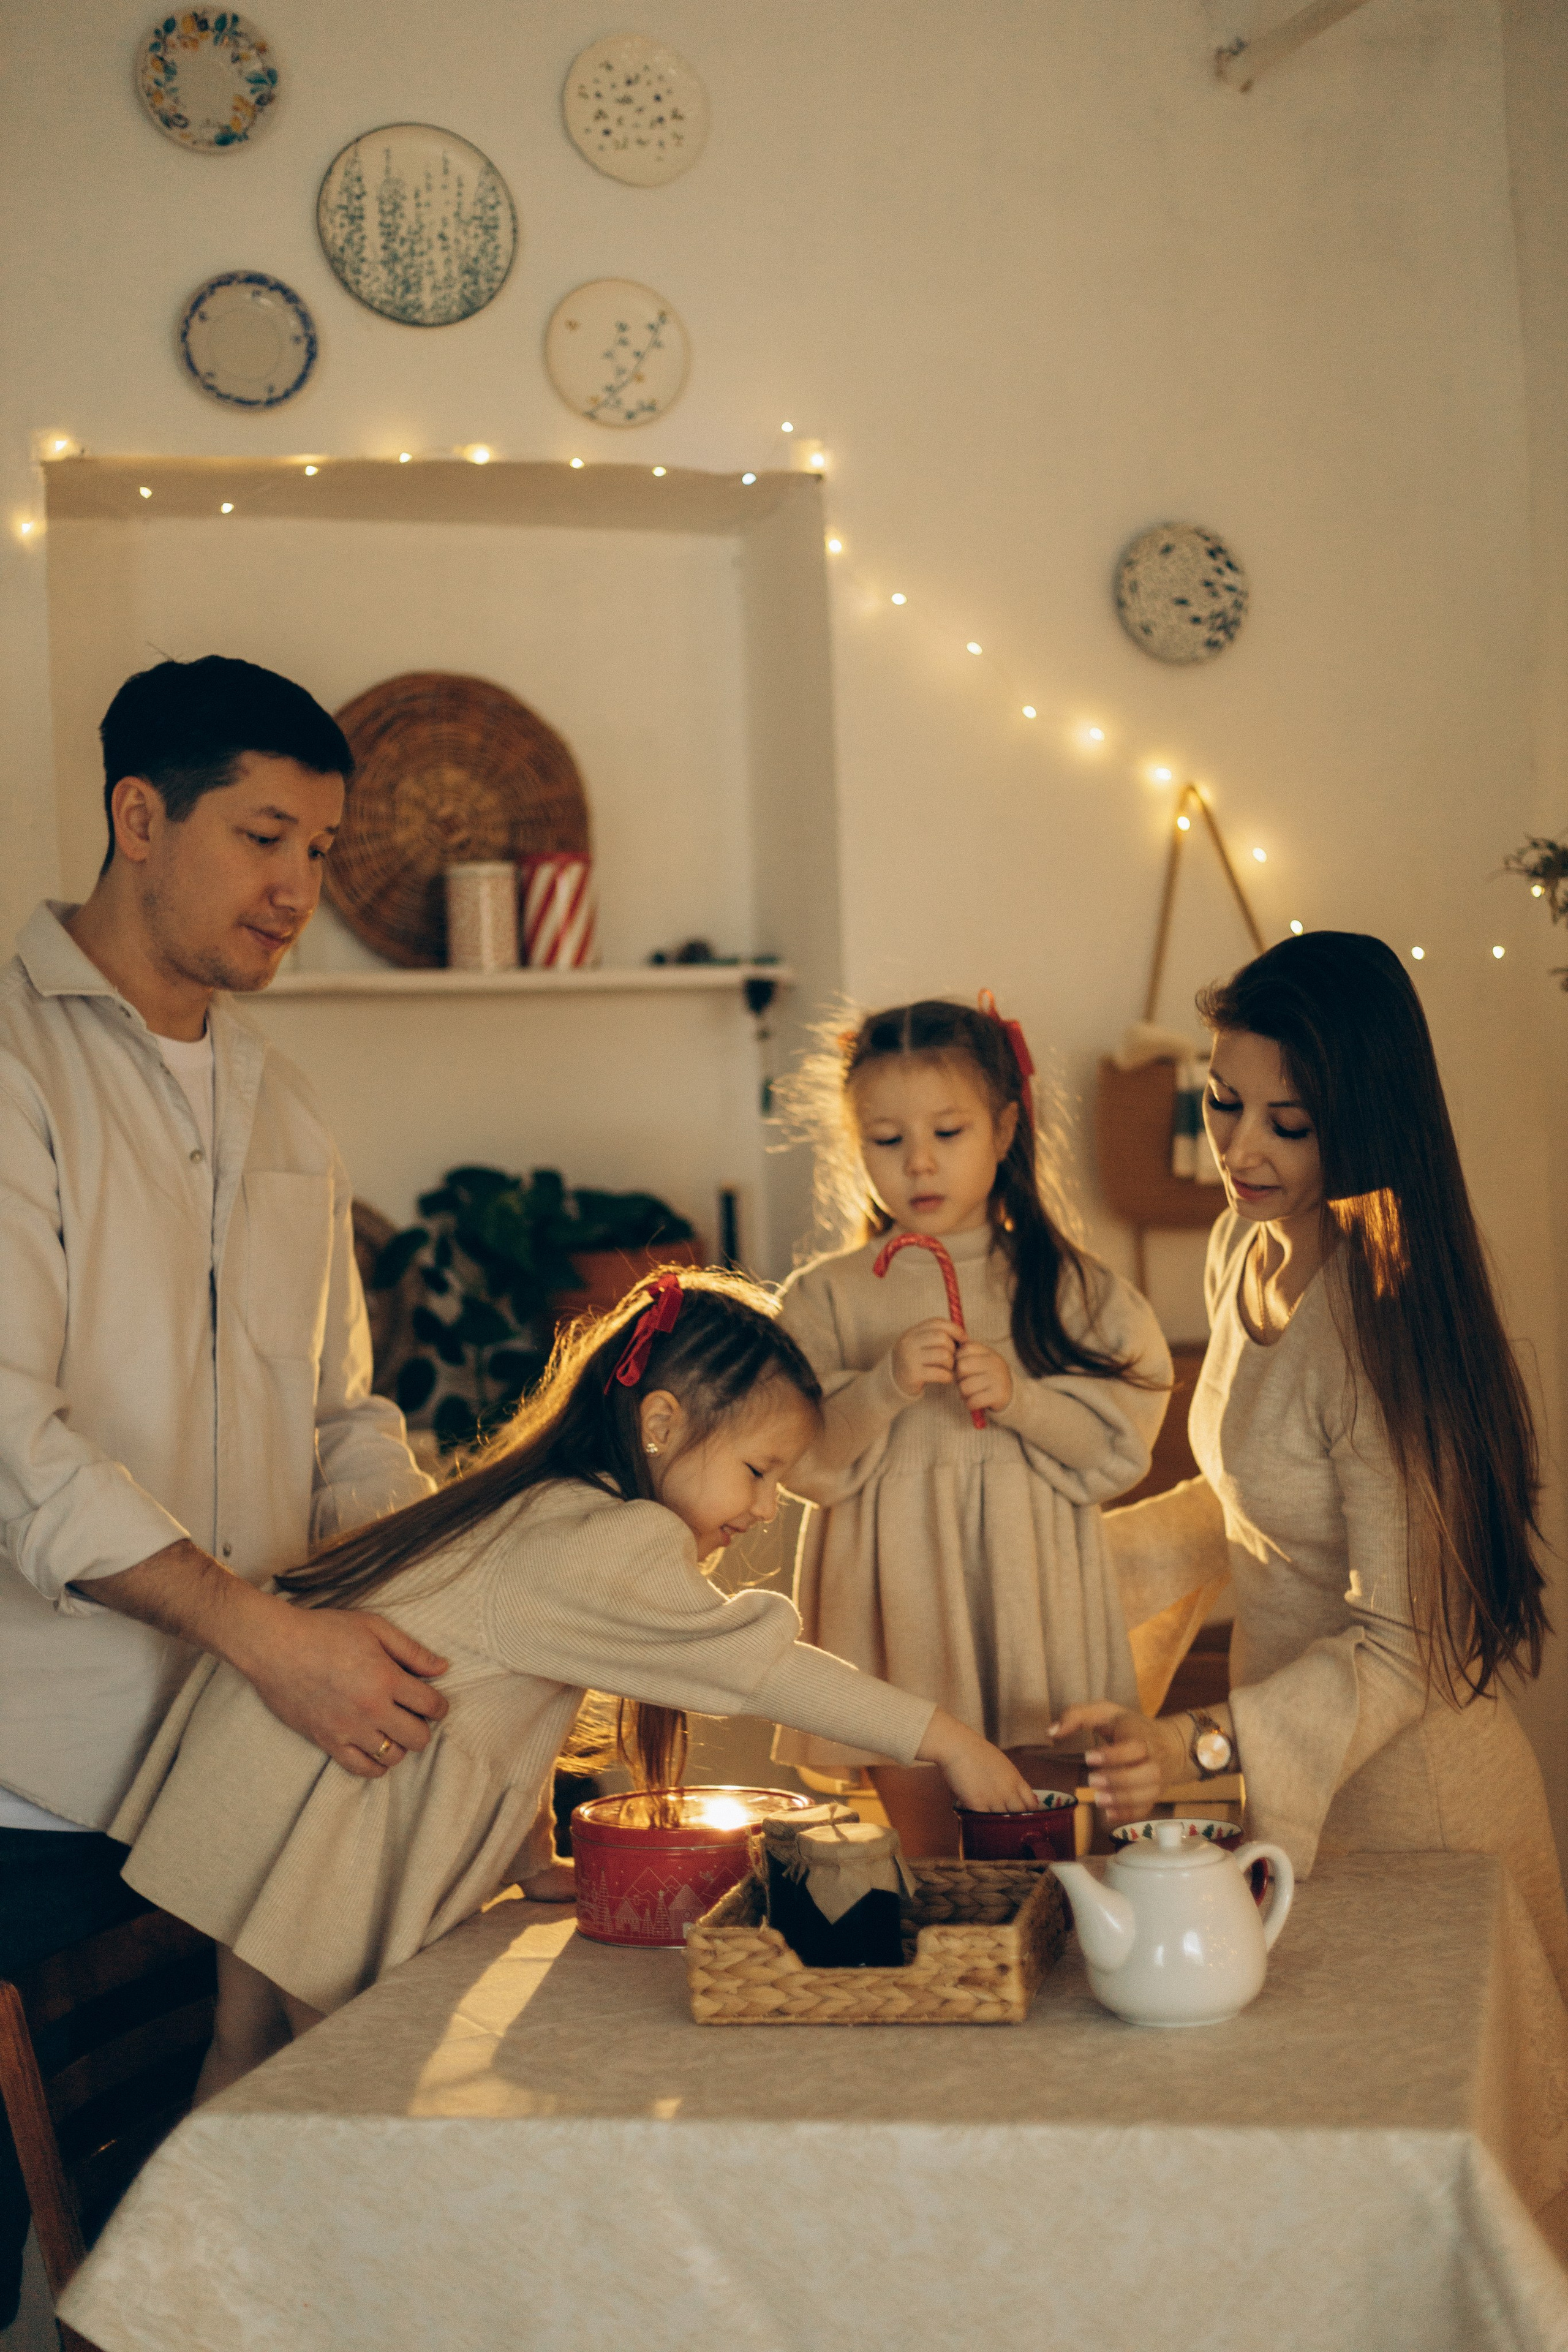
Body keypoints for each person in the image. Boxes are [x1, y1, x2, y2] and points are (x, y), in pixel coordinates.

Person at [111, 1272, 1037, 2091]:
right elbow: (764, 1671)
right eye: (759, 1472)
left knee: (244, 2048)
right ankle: (284, 2267)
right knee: (341, 2088)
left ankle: (194, 2266)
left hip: (274, 1769)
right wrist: (949, 1739)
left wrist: (530, 1858)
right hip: (326, 1802)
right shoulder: (609, 1542)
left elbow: (490, 1709)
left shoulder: (547, 1506)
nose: (764, 1509)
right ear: (662, 1422)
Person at [0, 657, 442, 2322]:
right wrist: (260, 1629)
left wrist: (427, 1575)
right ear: (138, 817)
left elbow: (340, 1411)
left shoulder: (280, 1099)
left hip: (239, 1778)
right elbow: (12, 1442)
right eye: (269, 837)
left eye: (323, 852)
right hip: (32, 1800)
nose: (300, 890)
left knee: (202, 2266)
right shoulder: (11, 1068)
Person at [1050, 930, 1568, 1994]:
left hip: (1422, 1808)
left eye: (1289, 1124)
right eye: (1222, 1101)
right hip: (1295, 1781)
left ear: (1368, 1122)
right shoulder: (1247, 1245)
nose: (1241, 1151)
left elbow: (1404, 1650)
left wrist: (1195, 1745)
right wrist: (1054, 1562)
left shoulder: (1383, 1327)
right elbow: (1254, 1509)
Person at [768, 995, 1172, 1855]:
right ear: (856, 1144)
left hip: (1037, 1599)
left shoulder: (1073, 1288)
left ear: (1004, 1128)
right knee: (932, 1869)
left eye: (948, 1133)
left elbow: (1117, 1445)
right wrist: (882, 1386)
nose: (919, 1163)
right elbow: (798, 1460)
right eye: (886, 1140)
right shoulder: (827, 1296)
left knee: (1045, 1860)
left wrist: (1021, 1398)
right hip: (896, 1602)